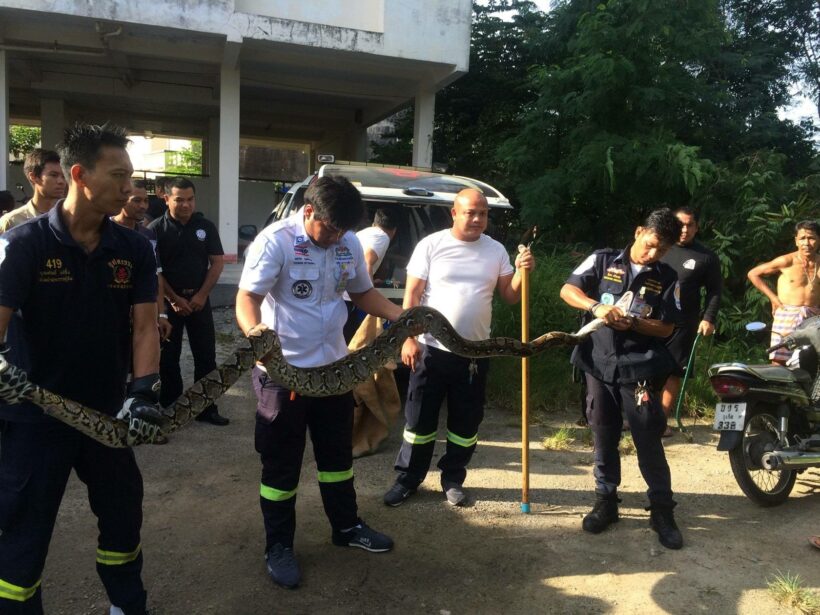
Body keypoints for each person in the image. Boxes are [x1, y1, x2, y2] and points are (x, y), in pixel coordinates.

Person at [0, 123, 164, 614]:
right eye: (118, 176)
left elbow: (143, 328)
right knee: (23, 530)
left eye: (131, 177)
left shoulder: (133, 248)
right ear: (79, 175)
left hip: (106, 414)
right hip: (33, 417)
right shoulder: (24, 244)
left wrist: (143, 392)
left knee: (121, 516)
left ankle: (127, 605)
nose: (130, 189)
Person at [236, 175, 404, 590]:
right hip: (284, 375)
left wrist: (407, 318)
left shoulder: (346, 242)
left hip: (333, 371)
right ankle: (278, 546)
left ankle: (345, 527)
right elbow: (247, 298)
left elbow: (363, 295)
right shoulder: (275, 241)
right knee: (281, 464)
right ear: (308, 211)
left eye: (342, 231)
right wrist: (256, 336)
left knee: (336, 460)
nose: (335, 238)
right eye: (329, 229)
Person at [383, 188, 535, 508]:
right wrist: (408, 338)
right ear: (454, 213)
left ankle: (453, 479)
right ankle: (408, 479)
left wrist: (522, 273)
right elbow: (411, 297)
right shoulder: (432, 245)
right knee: (419, 421)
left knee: (465, 424)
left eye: (483, 213)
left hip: (475, 354)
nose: (478, 219)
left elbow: (510, 296)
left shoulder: (495, 251)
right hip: (430, 349)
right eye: (471, 212)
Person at [559, 208, 684, 550]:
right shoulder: (602, 261)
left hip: (639, 368)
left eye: (663, 249)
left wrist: (635, 323)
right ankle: (606, 501)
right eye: (652, 243)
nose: (654, 253)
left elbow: (668, 326)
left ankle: (661, 510)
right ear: (639, 231)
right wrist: (596, 307)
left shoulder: (668, 276)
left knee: (647, 438)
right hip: (597, 363)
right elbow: (568, 291)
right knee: (603, 433)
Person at [148, 177, 228, 424]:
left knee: (206, 355)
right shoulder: (154, 230)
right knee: (169, 358)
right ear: (166, 199)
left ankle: (206, 408)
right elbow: (155, 271)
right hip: (169, 304)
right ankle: (172, 408)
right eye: (179, 199)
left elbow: (217, 262)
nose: (186, 205)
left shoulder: (205, 227)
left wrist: (202, 295)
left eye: (190, 199)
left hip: (199, 302)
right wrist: (173, 299)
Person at [659, 206, 722, 435]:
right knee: (644, 368)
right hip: (651, 319)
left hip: (684, 322)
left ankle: (660, 421)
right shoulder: (659, 247)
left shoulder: (706, 257)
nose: (684, 229)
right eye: (680, 224)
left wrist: (708, 318)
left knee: (674, 370)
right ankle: (641, 417)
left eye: (690, 225)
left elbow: (715, 291)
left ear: (697, 227)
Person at [748, 221, 820, 365]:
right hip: (787, 314)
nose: (807, 242)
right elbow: (753, 274)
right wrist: (773, 299)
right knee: (779, 359)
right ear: (796, 241)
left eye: (811, 238)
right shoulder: (787, 261)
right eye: (802, 238)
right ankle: (777, 386)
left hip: (813, 316)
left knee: (812, 360)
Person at [112, 179, 172, 342]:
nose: (143, 206)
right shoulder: (104, 231)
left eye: (146, 201)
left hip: (143, 314)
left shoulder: (148, 235)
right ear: (122, 199)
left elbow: (156, 276)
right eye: (136, 201)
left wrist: (161, 313)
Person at [343, 207, 399, 342]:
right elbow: (368, 261)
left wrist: (373, 278)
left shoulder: (364, 233)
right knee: (357, 338)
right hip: (354, 296)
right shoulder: (383, 236)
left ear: (374, 223)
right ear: (394, 230)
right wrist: (370, 291)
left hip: (344, 291)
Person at [0, 148, 66, 232]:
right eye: (53, 175)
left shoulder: (71, 218)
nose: (61, 181)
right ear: (33, 177)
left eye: (63, 176)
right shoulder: (12, 222)